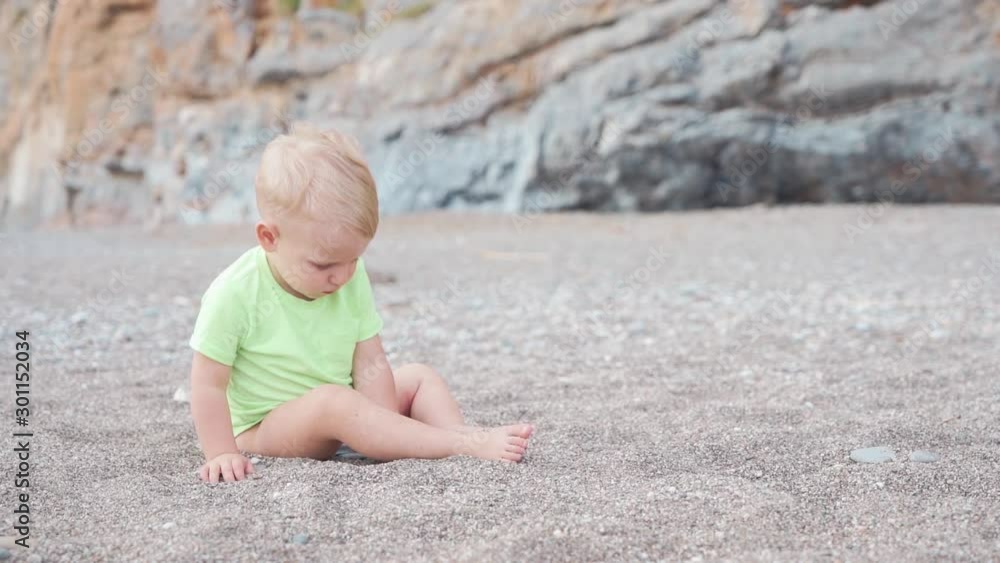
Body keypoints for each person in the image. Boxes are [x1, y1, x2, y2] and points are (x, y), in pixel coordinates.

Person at [188, 124, 534, 483]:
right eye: (324, 265)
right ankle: (456, 443)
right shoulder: (234, 292)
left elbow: (370, 358)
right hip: (266, 428)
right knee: (333, 402)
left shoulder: (349, 276)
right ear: (269, 237)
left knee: (419, 378)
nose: (342, 277)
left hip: (342, 407)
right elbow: (208, 384)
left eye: (353, 259)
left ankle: (456, 439)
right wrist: (222, 452)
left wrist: (385, 427)